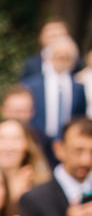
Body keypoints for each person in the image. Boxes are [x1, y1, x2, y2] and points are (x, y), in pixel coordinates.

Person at [25, 35, 88, 168]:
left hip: (66, 142)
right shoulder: (33, 85)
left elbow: (80, 116)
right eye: (58, 56)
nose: (62, 61)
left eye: (66, 58)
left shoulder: (78, 87)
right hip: (39, 140)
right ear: (49, 58)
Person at [0, 119, 50, 203]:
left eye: (16, 139)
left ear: (27, 144)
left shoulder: (41, 183)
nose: (8, 146)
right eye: (1, 138)